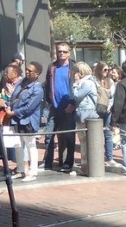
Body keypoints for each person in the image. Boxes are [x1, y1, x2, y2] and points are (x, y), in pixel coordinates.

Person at [43, 42, 75, 172]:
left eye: (64, 51)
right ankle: (47, 163)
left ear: (69, 53)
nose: (61, 53)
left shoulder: (74, 67)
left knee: (69, 136)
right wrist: (49, 102)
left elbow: (78, 86)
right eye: (59, 51)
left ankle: (68, 163)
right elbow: (47, 85)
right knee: (49, 135)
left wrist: (73, 103)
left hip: (69, 107)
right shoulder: (52, 67)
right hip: (54, 107)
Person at [10, 61, 44, 181]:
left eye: (31, 71)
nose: (27, 72)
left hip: (28, 120)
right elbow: (13, 97)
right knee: (18, 145)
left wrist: (14, 112)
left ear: (37, 74)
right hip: (16, 120)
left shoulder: (38, 88)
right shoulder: (21, 82)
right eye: (27, 70)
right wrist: (8, 106)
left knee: (30, 145)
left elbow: (30, 107)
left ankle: (33, 172)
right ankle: (21, 170)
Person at [71, 61, 99, 173]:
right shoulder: (84, 83)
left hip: (86, 113)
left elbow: (77, 96)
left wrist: (74, 84)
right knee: (83, 141)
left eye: (75, 71)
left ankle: (88, 166)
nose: (73, 74)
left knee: (86, 142)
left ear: (80, 72)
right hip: (81, 113)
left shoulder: (87, 83)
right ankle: (85, 165)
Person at [93, 61, 117, 166]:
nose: (107, 72)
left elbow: (112, 96)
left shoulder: (110, 82)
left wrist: (110, 106)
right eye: (105, 70)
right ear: (99, 70)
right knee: (96, 135)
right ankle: (97, 157)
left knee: (108, 134)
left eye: (108, 70)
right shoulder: (94, 81)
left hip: (107, 110)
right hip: (96, 110)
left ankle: (109, 157)